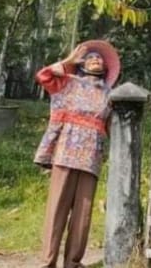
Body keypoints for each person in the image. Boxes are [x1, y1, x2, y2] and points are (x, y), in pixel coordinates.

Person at [32, 40, 120, 268]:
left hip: (91, 157)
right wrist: (68, 61)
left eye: (99, 58)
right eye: (90, 57)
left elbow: (112, 127)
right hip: (65, 152)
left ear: (106, 67)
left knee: (83, 214)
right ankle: (47, 261)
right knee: (57, 209)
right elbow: (43, 76)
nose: (95, 60)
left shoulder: (110, 95)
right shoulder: (67, 83)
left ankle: (73, 262)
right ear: (81, 63)